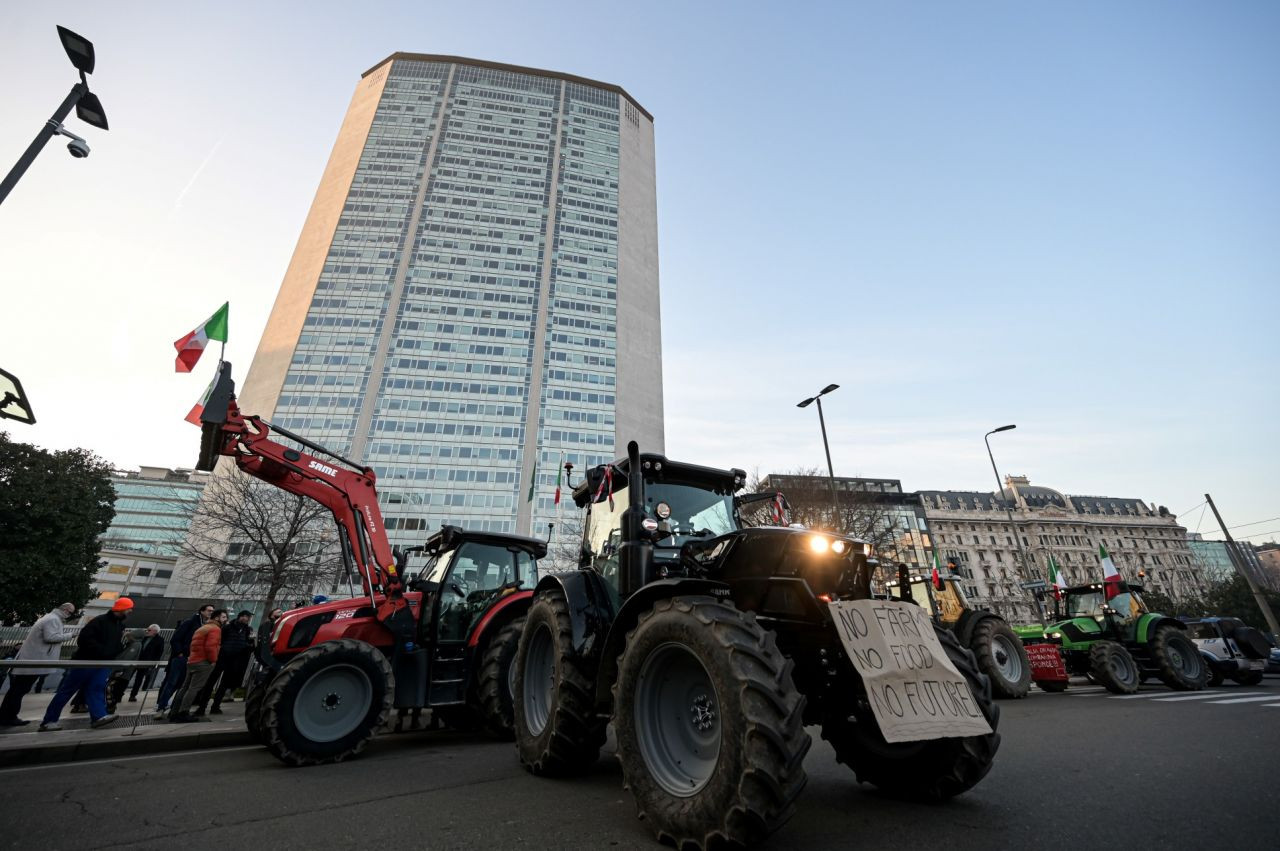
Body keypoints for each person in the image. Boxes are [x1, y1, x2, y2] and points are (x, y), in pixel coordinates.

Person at [39, 598, 133, 731]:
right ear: (122, 608)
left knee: (96, 688)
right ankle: (49, 720)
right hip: (88, 661)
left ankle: (98, 716)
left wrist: (115, 651)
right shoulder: (100, 621)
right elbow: (84, 639)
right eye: (129, 608)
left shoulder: (119, 625)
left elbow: (115, 644)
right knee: (68, 690)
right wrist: (103, 651)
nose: (130, 611)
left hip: (103, 663)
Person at [0, 603, 75, 727]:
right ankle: (8, 716)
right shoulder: (53, 619)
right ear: (65, 610)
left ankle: (6, 715)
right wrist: (70, 635)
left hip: (32, 659)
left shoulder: (50, 618)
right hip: (34, 660)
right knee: (19, 690)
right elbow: (50, 637)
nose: (70, 615)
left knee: (17, 690)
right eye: (71, 612)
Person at [154, 604, 213, 718]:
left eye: (212, 611)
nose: (210, 613)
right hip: (182, 657)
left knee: (182, 685)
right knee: (172, 683)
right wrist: (180, 653)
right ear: (201, 611)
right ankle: (161, 707)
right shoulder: (190, 622)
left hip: (193, 658)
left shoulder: (206, 625)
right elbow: (176, 639)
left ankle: (174, 709)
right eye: (209, 610)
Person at [171, 609, 226, 722]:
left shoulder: (203, 627)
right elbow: (211, 646)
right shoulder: (215, 629)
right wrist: (213, 660)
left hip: (193, 660)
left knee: (184, 688)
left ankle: (174, 712)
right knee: (194, 688)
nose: (225, 620)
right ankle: (183, 712)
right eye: (224, 617)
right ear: (217, 618)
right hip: (203, 662)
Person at [196, 610, 253, 715]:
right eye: (246, 617)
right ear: (241, 617)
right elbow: (219, 640)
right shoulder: (228, 627)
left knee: (224, 684)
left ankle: (215, 706)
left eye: (249, 617)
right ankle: (202, 707)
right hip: (222, 657)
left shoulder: (246, 630)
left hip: (234, 660)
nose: (248, 619)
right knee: (211, 682)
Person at [128, 625, 165, 701]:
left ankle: (133, 695)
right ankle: (119, 693)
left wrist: (153, 663)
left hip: (146, 662)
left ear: (155, 631)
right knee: (127, 676)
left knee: (139, 679)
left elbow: (159, 653)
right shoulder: (144, 637)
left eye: (149, 630)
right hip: (136, 660)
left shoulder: (160, 640)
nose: (147, 631)